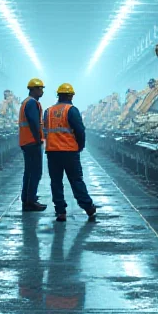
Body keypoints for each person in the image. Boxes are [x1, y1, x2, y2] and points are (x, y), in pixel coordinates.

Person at [44, 83, 97, 222]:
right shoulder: (71, 110)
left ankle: (60, 212)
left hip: (52, 152)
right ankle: (88, 207)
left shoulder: (48, 111)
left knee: (56, 182)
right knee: (76, 180)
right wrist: (80, 146)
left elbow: (45, 130)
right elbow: (80, 130)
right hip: (69, 152)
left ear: (58, 95)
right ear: (70, 95)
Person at [19, 78, 47, 211]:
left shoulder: (27, 102)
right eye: (40, 88)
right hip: (31, 142)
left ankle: (27, 199)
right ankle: (30, 201)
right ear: (34, 89)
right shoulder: (31, 103)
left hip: (26, 141)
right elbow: (34, 123)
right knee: (35, 172)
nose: (42, 91)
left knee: (29, 171)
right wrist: (38, 139)